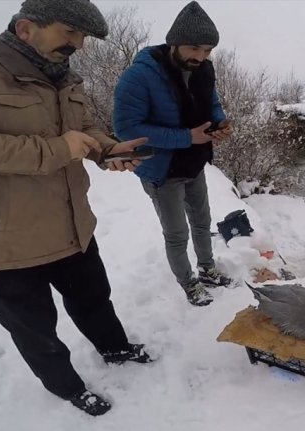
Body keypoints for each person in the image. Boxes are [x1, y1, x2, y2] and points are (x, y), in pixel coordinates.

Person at [0, 0, 152, 417]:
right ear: (25, 29)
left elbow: (80, 129)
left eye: (82, 37)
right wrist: (56, 150)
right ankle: (66, 387)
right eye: (70, 33)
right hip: (2, 242)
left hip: (72, 227)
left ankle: (116, 349)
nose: (79, 46)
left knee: (95, 301)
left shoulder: (65, 79)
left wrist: (106, 149)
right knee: (35, 329)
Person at [112, 1, 233, 307]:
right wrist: (186, 137)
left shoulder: (204, 68)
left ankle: (207, 270)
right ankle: (189, 283)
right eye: (194, 48)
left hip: (194, 163)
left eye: (207, 50)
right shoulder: (140, 75)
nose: (200, 56)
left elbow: (212, 103)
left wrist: (218, 123)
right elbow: (126, 129)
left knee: (203, 222)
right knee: (177, 234)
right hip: (161, 170)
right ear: (174, 42)